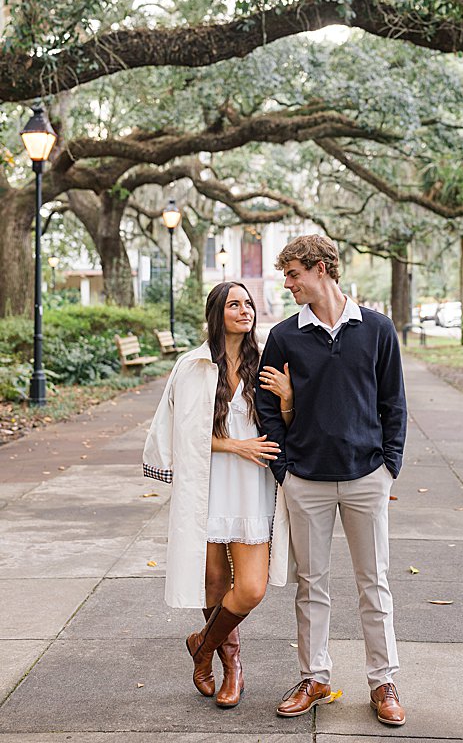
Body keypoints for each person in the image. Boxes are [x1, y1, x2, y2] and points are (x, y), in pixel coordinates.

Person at [256, 235, 408, 726]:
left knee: (374, 584)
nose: (288, 283)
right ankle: (315, 677)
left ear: (321, 269)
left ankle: (383, 682)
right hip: (306, 479)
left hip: (367, 477)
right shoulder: (283, 337)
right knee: (311, 585)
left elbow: (394, 405)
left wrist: (389, 467)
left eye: (294, 273)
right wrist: (285, 470)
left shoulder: (378, 330)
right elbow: (266, 409)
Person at [143, 282, 293, 709]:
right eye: (234, 304)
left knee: (250, 589)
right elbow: (183, 433)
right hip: (208, 485)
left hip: (253, 487)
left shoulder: (266, 362)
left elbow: (287, 426)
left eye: (248, 303)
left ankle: (202, 645)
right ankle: (233, 667)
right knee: (213, 583)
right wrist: (235, 445)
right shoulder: (192, 366)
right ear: (217, 312)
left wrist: (288, 398)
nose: (245, 310)